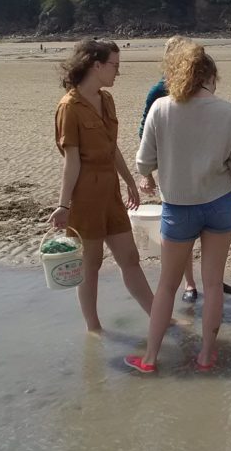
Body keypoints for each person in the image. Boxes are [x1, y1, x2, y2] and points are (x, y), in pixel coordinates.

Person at [126, 41, 231, 373]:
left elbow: (142, 163)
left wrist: (161, 169)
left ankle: (150, 359)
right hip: (219, 203)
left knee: (167, 285)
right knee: (213, 284)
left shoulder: (161, 108)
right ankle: (207, 356)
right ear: (211, 76)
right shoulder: (230, 113)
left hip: (178, 206)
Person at [48, 38, 156, 332]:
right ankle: (93, 329)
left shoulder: (106, 100)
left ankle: (159, 318)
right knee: (90, 265)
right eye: (114, 66)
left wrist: (128, 180)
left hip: (110, 193)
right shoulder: (69, 107)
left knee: (130, 257)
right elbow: (71, 162)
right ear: (96, 65)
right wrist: (63, 206)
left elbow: (113, 147)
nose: (117, 73)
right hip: (85, 198)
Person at [137, 36, 231, 302]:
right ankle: (190, 284)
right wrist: (148, 173)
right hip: (183, 184)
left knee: (178, 273)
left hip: (189, 190)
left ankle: (202, 283)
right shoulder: (159, 94)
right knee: (185, 261)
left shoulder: (210, 105)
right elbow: (145, 136)